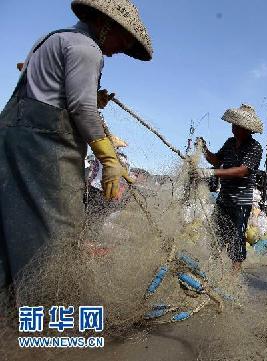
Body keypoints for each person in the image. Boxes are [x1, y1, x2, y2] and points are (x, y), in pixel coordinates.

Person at [0, 0, 152, 298]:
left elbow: (51, 91)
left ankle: (9, 311)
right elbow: (80, 108)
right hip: (45, 147)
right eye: (124, 40)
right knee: (59, 232)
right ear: (106, 25)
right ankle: (45, 312)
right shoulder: (87, 50)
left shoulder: (55, 38)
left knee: (13, 227)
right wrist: (108, 157)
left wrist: (92, 97)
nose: (122, 49)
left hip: (14, 137)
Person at [197, 104, 263, 273]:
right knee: (216, 235)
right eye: (233, 124)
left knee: (237, 237)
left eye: (237, 125)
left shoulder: (255, 147)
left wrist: (211, 173)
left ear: (247, 129)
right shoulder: (229, 143)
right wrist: (203, 149)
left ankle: (234, 277)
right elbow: (216, 161)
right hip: (224, 197)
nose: (233, 127)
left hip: (241, 200)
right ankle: (212, 271)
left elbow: (242, 171)